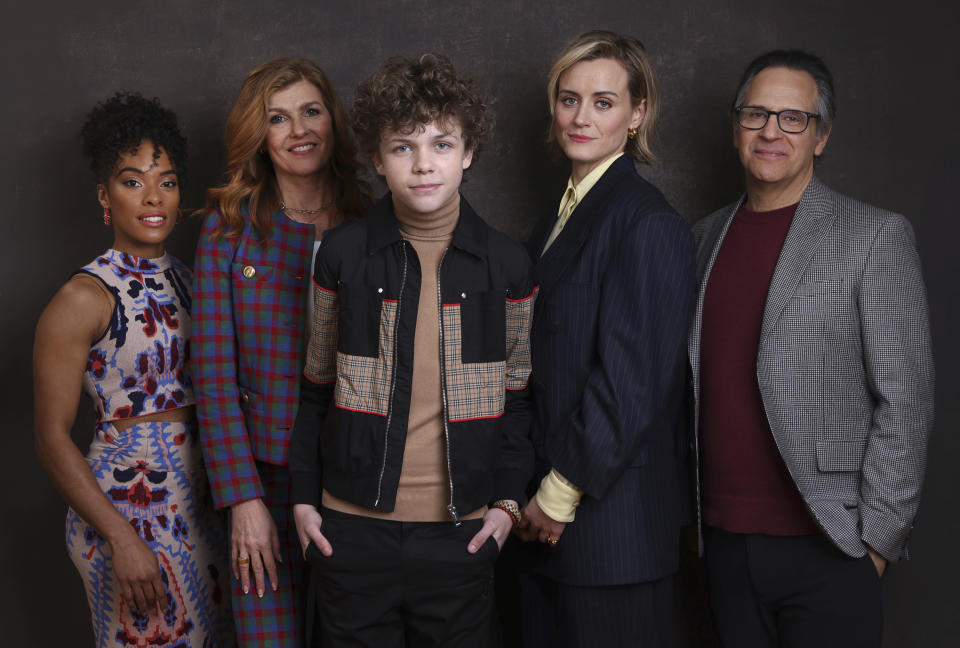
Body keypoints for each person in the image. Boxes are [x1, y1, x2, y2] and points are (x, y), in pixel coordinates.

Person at [687, 49, 935, 647]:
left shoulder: (873, 235)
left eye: (793, 118)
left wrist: (873, 542)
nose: (771, 131)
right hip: (723, 545)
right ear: (736, 126)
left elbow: (907, 402)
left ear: (821, 136)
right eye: (756, 114)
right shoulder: (701, 238)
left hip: (829, 546)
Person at [289, 52, 536, 647]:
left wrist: (505, 507)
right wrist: (302, 503)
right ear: (377, 158)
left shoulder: (507, 266)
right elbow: (316, 390)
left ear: (468, 152)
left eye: (441, 144)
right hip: (350, 535)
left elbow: (518, 402)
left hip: (460, 537)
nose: (423, 164)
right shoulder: (343, 257)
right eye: (403, 147)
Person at [34, 92, 234, 647]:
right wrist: (121, 539)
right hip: (126, 510)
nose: (153, 197)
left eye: (167, 182)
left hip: (199, 512)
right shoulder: (84, 295)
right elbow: (51, 439)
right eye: (132, 181)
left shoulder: (196, 282)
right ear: (105, 194)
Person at [516, 30, 695, 647]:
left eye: (603, 101)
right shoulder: (555, 218)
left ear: (637, 113)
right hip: (545, 528)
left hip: (609, 532)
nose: (581, 117)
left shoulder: (647, 222)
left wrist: (558, 496)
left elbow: (633, 383)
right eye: (569, 99)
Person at [192, 58, 369, 647]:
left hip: (357, 483)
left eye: (311, 111)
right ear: (258, 137)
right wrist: (241, 500)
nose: (300, 131)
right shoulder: (227, 231)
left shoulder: (372, 220)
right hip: (262, 483)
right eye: (278, 118)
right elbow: (213, 380)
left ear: (333, 120)